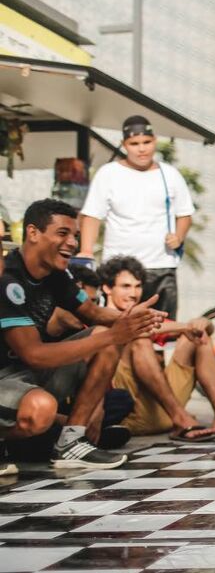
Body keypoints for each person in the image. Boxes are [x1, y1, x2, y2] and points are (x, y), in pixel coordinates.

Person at [0, 199, 164, 470]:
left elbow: (95, 314)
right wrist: (115, 334)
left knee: (102, 337)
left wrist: (135, 320)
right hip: (9, 378)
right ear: (33, 233)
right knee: (42, 408)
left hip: (27, 377)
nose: (73, 243)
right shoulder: (8, 279)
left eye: (75, 236)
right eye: (63, 234)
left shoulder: (55, 274)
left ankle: (70, 442)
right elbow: (34, 354)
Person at [100, 255, 215, 441]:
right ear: (107, 288)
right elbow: (136, 328)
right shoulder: (97, 316)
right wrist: (186, 326)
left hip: (160, 411)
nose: (133, 293)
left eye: (138, 286)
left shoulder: (146, 317)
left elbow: (199, 328)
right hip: (129, 414)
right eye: (126, 286)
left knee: (197, 338)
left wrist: (202, 323)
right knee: (139, 339)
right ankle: (180, 417)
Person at [77, 115, 194, 320]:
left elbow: (185, 214)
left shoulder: (170, 174)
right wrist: (86, 251)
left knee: (160, 332)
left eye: (146, 142)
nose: (141, 149)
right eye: (134, 143)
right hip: (120, 270)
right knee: (118, 331)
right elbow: (92, 216)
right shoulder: (108, 173)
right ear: (124, 144)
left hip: (160, 266)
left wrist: (179, 236)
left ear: (155, 141)